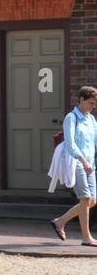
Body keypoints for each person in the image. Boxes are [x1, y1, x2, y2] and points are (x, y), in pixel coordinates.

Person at [50, 85, 97, 246]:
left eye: (94, 104)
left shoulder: (91, 119)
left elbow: (95, 141)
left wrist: (90, 162)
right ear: (81, 100)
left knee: (92, 201)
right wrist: (83, 161)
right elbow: (70, 144)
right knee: (85, 198)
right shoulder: (71, 118)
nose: (92, 107)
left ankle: (60, 222)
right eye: (90, 103)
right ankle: (86, 237)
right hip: (76, 162)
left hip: (91, 164)